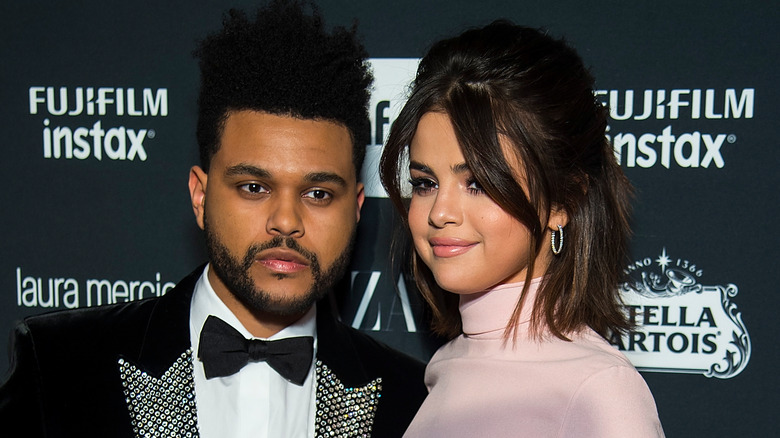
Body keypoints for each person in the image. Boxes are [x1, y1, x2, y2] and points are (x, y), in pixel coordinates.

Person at [0, 1, 426, 436]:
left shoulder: (412, 403)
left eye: (318, 194)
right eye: (254, 188)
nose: (285, 221)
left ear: (355, 208)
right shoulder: (59, 367)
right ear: (201, 197)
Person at [380, 21, 664, 437]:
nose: (440, 212)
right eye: (425, 183)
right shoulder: (447, 366)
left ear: (562, 202)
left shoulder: (599, 390)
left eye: (478, 183)